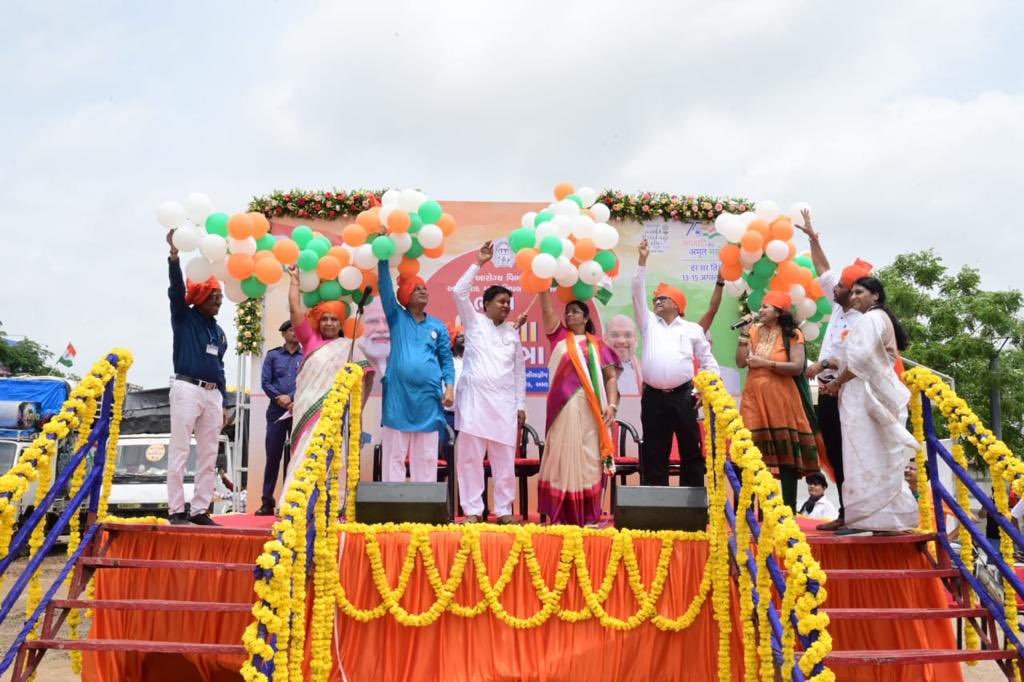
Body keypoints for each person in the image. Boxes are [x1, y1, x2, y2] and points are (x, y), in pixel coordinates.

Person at [819, 277, 918, 535]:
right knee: (877, 456)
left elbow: (860, 360)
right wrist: (830, 364)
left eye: (860, 292)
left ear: (876, 296)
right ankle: (882, 520)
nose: (853, 297)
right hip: (871, 394)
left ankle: (866, 520)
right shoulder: (877, 318)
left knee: (863, 456)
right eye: (851, 293)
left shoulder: (872, 319)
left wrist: (837, 382)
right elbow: (856, 357)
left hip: (866, 397)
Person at [797, 208, 872, 531]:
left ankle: (860, 515)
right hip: (828, 393)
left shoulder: (865, 320)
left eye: (846, 287)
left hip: (851, 394)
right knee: (836, 455)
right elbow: (823, 268)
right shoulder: (840, 305)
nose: (836, 288)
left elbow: (862, 361)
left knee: (853, 454)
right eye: (842, 286)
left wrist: (828, 365)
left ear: (859, 295)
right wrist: (813, 238)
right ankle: (845, 513)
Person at [281, 268, 374, 507]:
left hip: (335, 414)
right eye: (325, 318)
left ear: (341, 322)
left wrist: (357, 410)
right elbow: (294, 312)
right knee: (304, 455)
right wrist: (294, 282)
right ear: (318, 322)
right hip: (306, 410)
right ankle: (295, 505)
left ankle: (334, 506)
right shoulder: (310, 341)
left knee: (334, 459)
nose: (329, 323)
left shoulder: (349, 347)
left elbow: (367, 377)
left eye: (334, 319)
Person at [633, 239, 719, 487]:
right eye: (656, 299)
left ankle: (690, 504)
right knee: (654, 451)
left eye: (662, 298)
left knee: (690, 449)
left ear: (677, 305)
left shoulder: (692, 329)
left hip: (684, 396)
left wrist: (705, 388)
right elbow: (637, 291)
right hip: (653, 398)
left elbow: (707, 361)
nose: (656, 302)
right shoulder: (648, 323)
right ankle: (655, 505)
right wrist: (642, 261)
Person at [453, 242, 526, 524]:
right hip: (473, 403)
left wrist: (520, 404)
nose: (506, 307)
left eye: (509, 303)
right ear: (486, 305)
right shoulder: (474, 323)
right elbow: (459, 291)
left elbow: (519, 372)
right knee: (470, 459)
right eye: (501, 302)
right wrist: (478, 263)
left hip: (504, 406)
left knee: (504, 460)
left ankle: (504, 511)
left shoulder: (512, 333)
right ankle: (472, 510)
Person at [537, 289, 621, 526]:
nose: (570, 316)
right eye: (568, 312)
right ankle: (561, 514)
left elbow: (610, 377)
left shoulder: (600, 346)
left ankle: (589, 514)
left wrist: (612, 404)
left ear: (586, 318)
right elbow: (546, 309)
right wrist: (544, 284)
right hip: (563, 409)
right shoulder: (559, 339)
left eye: (575, 312)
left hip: (592, 410)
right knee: (562, 456)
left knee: (589, 458)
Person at [165, 231, 228, 526]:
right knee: (179, 450)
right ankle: (177, 509)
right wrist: (175, 257)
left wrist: (224, 400)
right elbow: (176, 290)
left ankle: (201, 510)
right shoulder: (184, 317)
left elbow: (220, 367)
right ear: (201, 297)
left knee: (209, 453)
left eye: (220, 297)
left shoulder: (219, 331)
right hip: (187, 388)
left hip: (213, 394)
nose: (219, 302)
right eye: (214, 297)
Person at [736, 290, 821, 510]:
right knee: (750, 452)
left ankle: (789, 509)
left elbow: (797, 367)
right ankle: (747, 510)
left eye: (765, 306)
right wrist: (744, 336)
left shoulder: (792, 334)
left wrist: (765, 364)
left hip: (782, 399)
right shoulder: (754, 331)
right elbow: (740, 362)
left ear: (778, 311)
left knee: (786, 455)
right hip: (754, 398)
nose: (760, 310)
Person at [377, 258, 455, 482]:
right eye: (417, 288)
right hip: (398, 396)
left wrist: (449, 388)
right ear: (406, 295)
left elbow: (446, 360)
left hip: (429, 398)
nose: (423, 291)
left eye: (424, 288)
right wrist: (383, 258)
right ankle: (393, 504)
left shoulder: (437, 326)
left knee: (427, 456)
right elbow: (385, 289)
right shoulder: (396, 317)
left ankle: (425, 509)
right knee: (395, 454)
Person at [256, 320, 303, 516]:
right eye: (291, 330)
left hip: (299, 409)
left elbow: (307, 380)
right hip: (277, 411)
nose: (295, 333)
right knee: (273, 456)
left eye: (297, 330)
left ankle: (294, 501)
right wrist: (281, 400)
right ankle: (267, 502)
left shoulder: (307, 355)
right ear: (283, 334)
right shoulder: (273, 355)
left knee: (297, 457)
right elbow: (266, 382)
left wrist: (291, 398)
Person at [606, 315, 643, 395]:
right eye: (614, 335)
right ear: (605, 338)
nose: (621, 341)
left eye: (628, 335)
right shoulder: (596, 371)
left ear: (636, 339)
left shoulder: (646, 371)